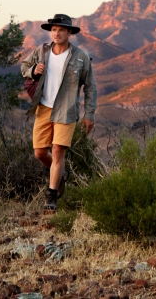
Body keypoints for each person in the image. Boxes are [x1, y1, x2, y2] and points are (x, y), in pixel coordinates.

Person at [20, 14, 96, 212]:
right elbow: (24, 67)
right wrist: (34, 70)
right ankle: (62, 173)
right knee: (39, 153)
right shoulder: (42, 51)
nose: (57, 33)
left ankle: (51, 197)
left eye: (61, 30)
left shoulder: (81, 57)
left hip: (67, 109)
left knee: (57, 150)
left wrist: (89, 114)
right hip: (43, 107)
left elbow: (90, 87)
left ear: (69, 33)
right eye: (54, 29)